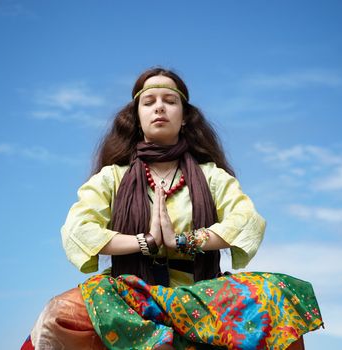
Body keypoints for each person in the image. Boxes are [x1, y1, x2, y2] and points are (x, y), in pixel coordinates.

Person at [21, 67, 323, 350]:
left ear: (185, 117)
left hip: (203, 294)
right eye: (149, 102)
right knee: (59, 315)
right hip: (130, 295)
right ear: (136, 117)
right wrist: (145, 242)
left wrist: (184, 241)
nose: (159, 108)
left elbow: (246, 221)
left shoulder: (212, 176)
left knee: (278, 299)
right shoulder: (112, 177)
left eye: (170, 101)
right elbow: (78, 231)